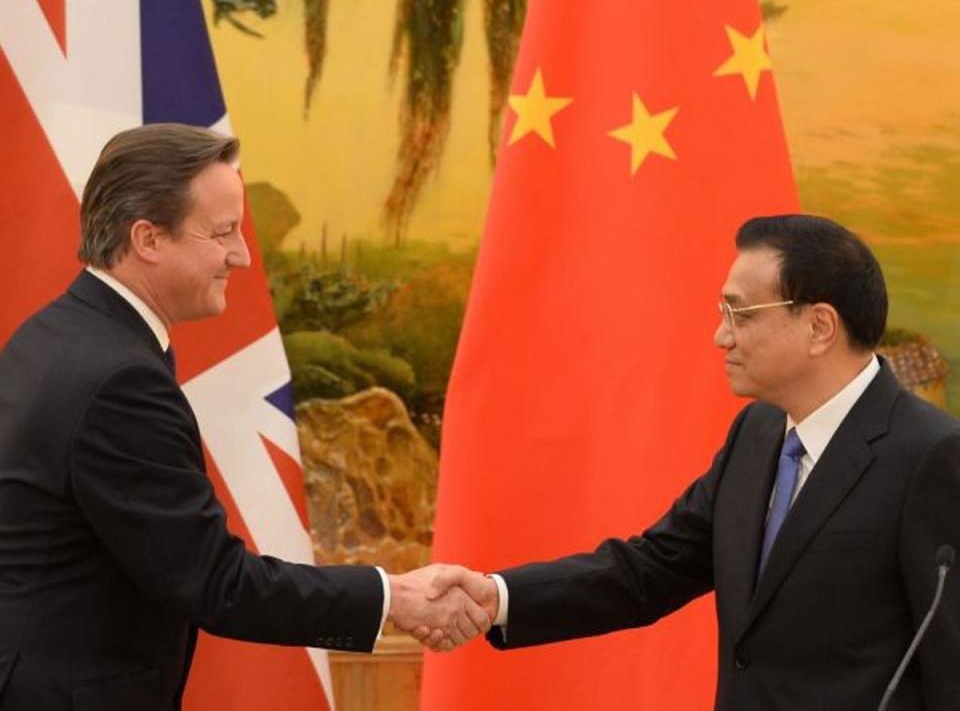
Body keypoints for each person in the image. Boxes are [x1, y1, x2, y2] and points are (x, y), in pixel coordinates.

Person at [0, 123, 489, 710]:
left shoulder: (57, 336)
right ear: (148, 238)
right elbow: (218, 584)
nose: (242, 255)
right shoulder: (116, 379)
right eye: (224, 232)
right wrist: (394, 597)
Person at [427, 215, 960, 709]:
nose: (721, 336)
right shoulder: (757, 434)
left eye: (740, 314)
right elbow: (649, 569)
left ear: (820, 326)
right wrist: (495, 598)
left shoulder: (930, 455)